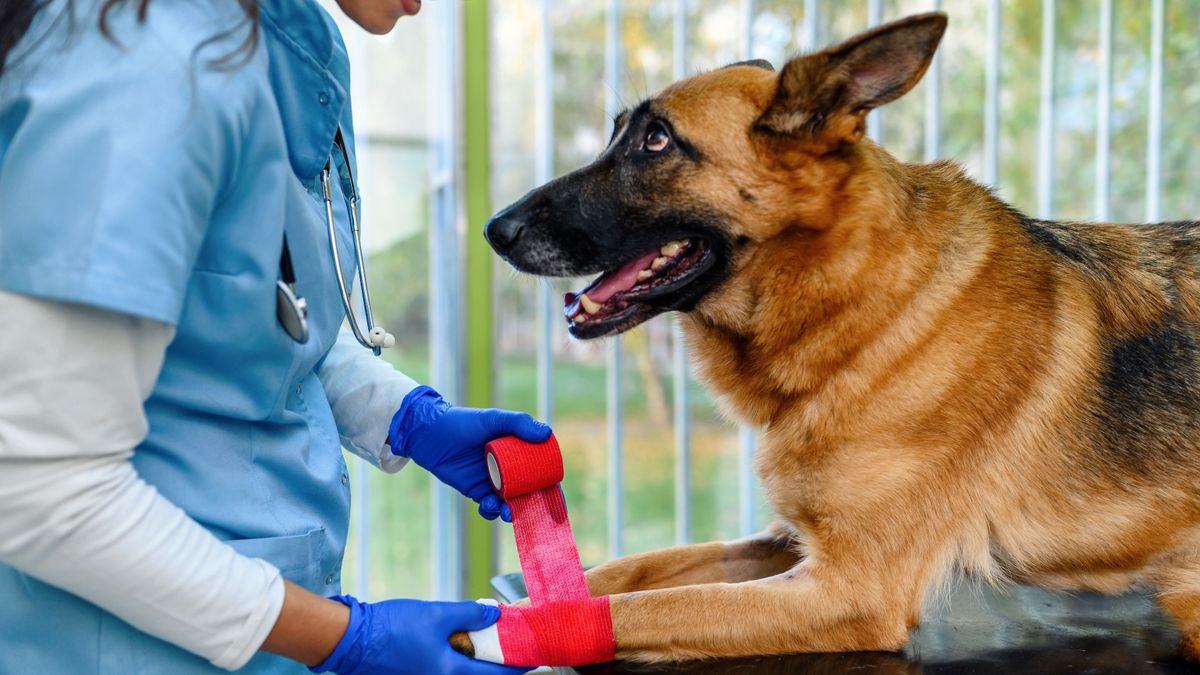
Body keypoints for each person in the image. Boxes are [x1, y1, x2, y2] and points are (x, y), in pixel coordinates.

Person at [0, 1, 538, 673]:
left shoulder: (284, 46)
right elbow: (43, 486)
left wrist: (405, 415)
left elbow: (248, 303)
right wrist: (344, 637)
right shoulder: (145, 68)